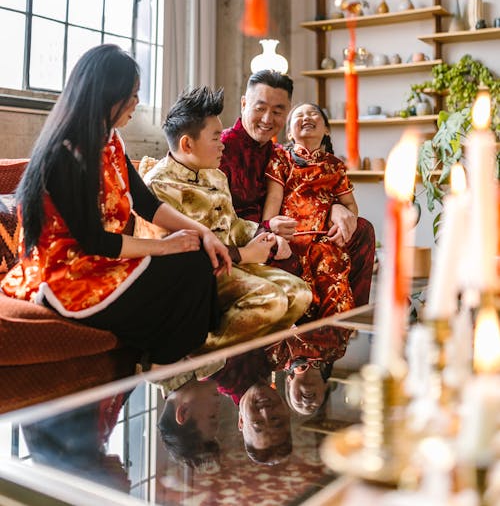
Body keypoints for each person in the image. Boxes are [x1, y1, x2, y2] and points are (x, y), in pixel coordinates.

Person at [1, 44, 231, 367]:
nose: (137, 102)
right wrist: (165, 247)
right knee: (189, 267)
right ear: (107, 95)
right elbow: (94, 241)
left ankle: (175, 364)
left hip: (104, 261)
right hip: (69, 273)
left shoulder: (110, 141)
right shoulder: (65, 154)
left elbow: (147, 205)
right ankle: (166, 365)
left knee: (197, 260)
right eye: (132, 94)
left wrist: (203, 232)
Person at [138, 86, 312, 349]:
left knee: (300, 293)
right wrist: (244, 255)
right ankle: (191, 352)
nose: (223, 145)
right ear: (187, 143)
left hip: (231, 265)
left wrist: (263, 236)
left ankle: (252, 357)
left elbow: (232, 224)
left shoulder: (215, 174)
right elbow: (177, 256)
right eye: (216, 138)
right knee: (271, 300)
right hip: (195, 278)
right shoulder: (159, 186)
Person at [220, 70, 375, 306]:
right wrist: (265, 229)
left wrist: (334, 206)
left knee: (361, 229)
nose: (267, 119)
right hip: (248, 243)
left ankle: (344, 324)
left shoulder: (280, 154)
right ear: (244, 103)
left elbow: (305, 186)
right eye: (260, 108)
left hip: (288, 232)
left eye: (278, 111)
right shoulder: (221, 149)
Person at [263, 102, 355, 320]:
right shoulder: (281, 160)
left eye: (314, 113)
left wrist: (346, 225)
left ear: (326, 130)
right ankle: (300, 346)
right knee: (303, 301)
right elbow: (274, 198)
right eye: (299, 115)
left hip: (324, 243)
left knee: (336, 294)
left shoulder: (335, 165)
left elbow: (350, 205)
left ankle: (327, 342)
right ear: (289, 133)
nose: (307, 117)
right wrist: (267, 231)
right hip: (291, 240)